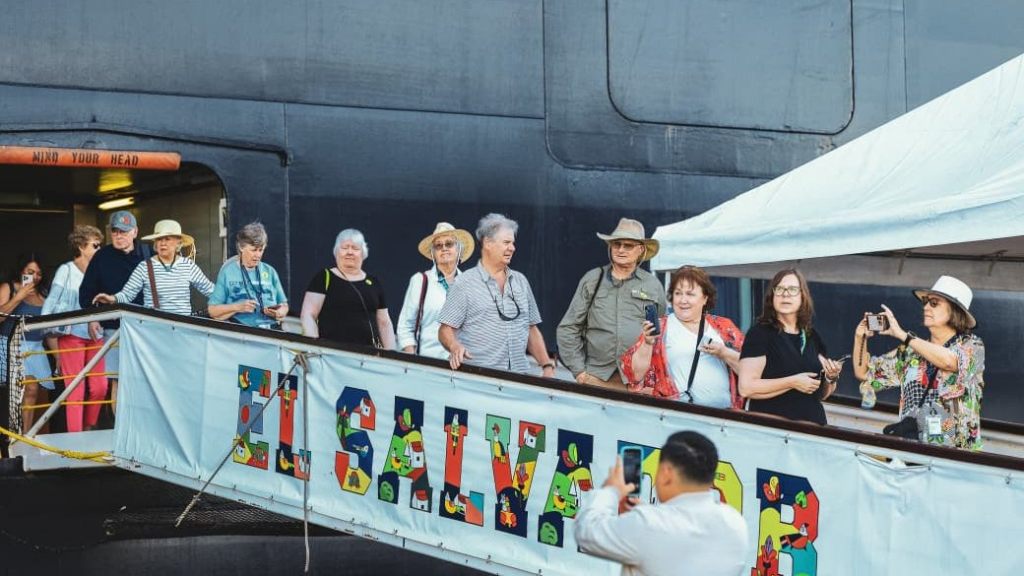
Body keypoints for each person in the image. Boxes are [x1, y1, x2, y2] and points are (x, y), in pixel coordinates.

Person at [576, 431, 748, 576]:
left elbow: (587, 532)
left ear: (666, 473)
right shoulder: (735, 522)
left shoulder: (649, 524)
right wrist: (643, 512)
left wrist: (611, 491)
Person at [852, 275, 985, 450]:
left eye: (934, 303)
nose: (926, 307)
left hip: (956, 460)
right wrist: (860, 338)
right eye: (926, 302)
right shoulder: (910, 351)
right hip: (913, 455)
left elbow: (949, 361)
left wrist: (902, 335)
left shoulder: (973, 346)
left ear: (954, 311)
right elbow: (864, 374)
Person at [438, 213, 555, 376]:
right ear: (488, 243)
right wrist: (454, 346)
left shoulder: (521, 281)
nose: (512, 248)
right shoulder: (464, 283)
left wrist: (547, 366)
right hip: (479, 381)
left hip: (520, 381)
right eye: (506, 242)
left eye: (513, 243)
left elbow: (531, 329)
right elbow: (445, 330)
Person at [557, 218, 666, 390]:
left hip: (637, 383)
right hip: (595, 378)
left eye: (628, 245)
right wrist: (580, 372)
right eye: (617, 244)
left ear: (641, 250)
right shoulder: (592, 279)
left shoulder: (652, 285)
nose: (621, 249)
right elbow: (568, 328)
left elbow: (661, 333)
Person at [622, 265, 744, 408]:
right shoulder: (661, 328)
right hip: (680, 415)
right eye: (678, 293)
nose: (682, 300)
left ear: (704, 298)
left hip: (726, 418)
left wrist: (724, 353)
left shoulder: (724, 327)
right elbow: (636, 375)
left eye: (690, 294)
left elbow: (751, 370)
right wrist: (647, 343)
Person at [738, 269, 843, 425]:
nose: (785, 294)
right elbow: (746, 388)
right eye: (779, 289)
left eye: (792, 290)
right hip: (773, 431)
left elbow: (820, 394)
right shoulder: (759, 334)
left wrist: (831, 377)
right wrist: (792, 382)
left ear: (803, 296)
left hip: (813, 430)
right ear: (772, 296)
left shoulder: (811, 335)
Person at [78, 210, 152, 413]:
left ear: (135, 231)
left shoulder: (150, 255)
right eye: (115, 231)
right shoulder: (101, 257)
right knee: (118, 382)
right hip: (113, 330)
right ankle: (119, 432)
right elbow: (86, 293)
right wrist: (93, 318)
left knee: (147, 382)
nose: (119, 236)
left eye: (125, 231)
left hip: (147, 331)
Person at [43, 226, 108, 433]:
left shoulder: (100, 270)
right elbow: (51, 302)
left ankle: (89, 425)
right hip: (70, 335)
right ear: (81, 247)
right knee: (75, 390)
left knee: (100, 387)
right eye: (95, 245)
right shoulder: (66, 270)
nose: (99, 249)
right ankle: (76, 437)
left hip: (95, 335)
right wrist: (45, 327)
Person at [93, 219, 215, 316]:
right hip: (154, 330)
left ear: (178, 242)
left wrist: (231, 298)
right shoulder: (144, 267)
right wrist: (111, 299)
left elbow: (209, 289)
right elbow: (127, 295)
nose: (162, 243)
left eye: (167, 239)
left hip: (182, 329)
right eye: (159, 239)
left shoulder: (188, 266)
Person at [299, 229, 396, 349]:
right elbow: (308, 315)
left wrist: (392, 355)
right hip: (333, 356)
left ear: (363, 253)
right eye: (345, 247)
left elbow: (384, 323)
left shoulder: (374, 282)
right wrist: (315, 348)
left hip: (369, 357)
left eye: (355, 248)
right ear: (337, 252)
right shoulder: (324, 277)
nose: (350, 252)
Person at [396, 222, 474, 359]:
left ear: (459, 249)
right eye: (438, 246)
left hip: (461, 367)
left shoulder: (470, 284)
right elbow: (405, 327)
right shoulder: (421, 280)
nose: (444, 248)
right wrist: (412, 360)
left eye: (449, 244)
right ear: (433, 253)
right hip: (426, 365)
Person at [0, 254, 54, 433]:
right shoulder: (9, 288)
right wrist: (19, 297)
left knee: (38, 393)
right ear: (21, 270)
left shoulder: (44, 294)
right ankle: (21, 437)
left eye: (38, 273)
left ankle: (27, 435)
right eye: (30, 272)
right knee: (29, 387)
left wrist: (58, 355)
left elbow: (49, 330)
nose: (35, 277)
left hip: (37, 349)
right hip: (11, 347)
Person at [208, 222, 289, 329]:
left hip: (272, 330)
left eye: (261, 250)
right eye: (254, 250)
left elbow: (284, 306)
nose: (258, 255)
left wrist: (278, 313)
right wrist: (238, 307)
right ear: (241, 247)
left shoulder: (270, 271)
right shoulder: (228, 272)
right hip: (243, 332)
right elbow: (212, 310)